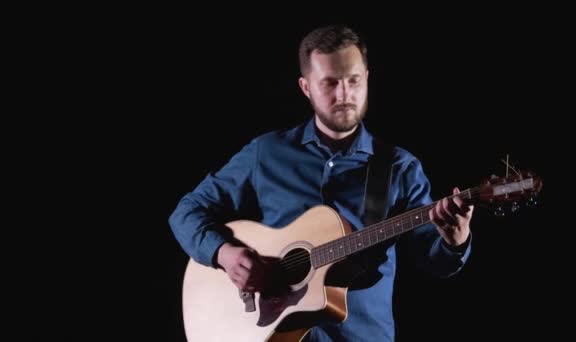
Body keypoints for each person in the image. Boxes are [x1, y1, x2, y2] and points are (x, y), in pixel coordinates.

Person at [169, 24, 473, 342]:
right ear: (306, 87)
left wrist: (455, 241)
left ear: (367, 78)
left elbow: (435, 261)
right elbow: (186, 211)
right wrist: (224, 253)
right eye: (330, 83)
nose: (344, 95)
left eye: (353, 81)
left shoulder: (400, 168)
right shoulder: (267, 153)